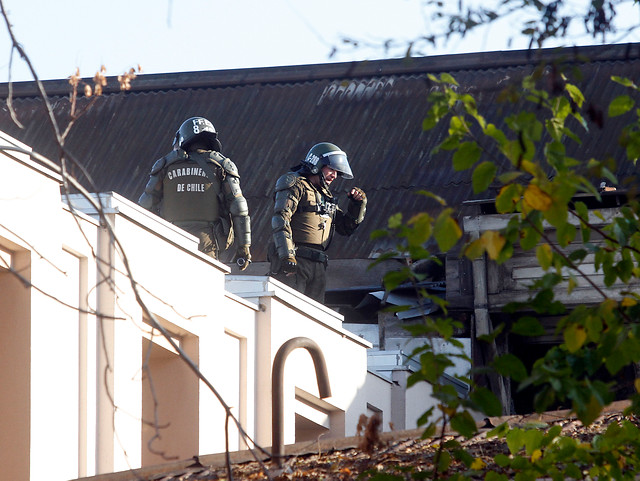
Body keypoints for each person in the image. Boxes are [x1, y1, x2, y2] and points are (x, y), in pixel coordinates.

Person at [138, 117, 251, 269]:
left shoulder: (164, 165)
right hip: (208, 243)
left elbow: (145, 205)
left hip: (171, 240)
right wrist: (243, 247)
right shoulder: (222, 165)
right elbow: (239, 207)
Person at [269, 142, 367, 303]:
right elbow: (281, 219)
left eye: (337, 172)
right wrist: (287, 255)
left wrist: (358, 204)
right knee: (289, 310)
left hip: (318, 265)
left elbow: (345, 227)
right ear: (317, 164)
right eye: (331, 169)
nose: (334, 176)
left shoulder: (324, 195)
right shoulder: (295, 183)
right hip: (296, 261)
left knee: (314, 319)